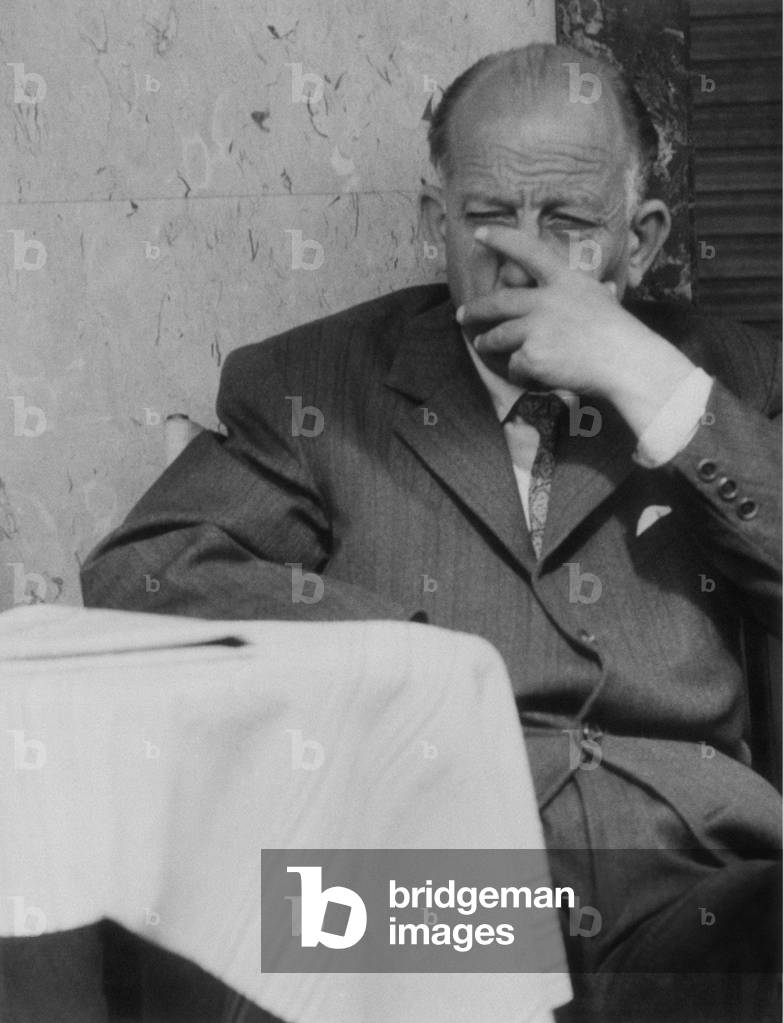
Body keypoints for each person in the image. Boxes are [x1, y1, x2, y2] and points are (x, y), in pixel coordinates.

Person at [81, 44, 781, 1022]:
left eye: (571, 224)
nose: (521, 254)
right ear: (433, 221)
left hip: (690, 880)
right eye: (487, 214)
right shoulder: (317, 384)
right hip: (420, 877)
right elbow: (147, 572)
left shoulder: (733, 382)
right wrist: (428, 660)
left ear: (643, 237)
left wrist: (646, 379)